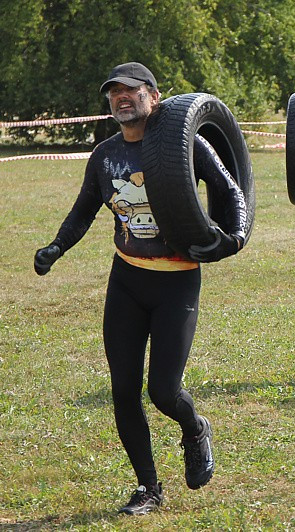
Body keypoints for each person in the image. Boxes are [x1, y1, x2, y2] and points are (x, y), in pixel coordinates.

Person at [33, 62, 247, 515]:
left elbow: (232, 191)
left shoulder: (186, 146)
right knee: (123, 391)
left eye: (131, 90)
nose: (121, 97)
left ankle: (195, 428)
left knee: (164, 392)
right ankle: (148, 487)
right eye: (114, 92)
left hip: (177, 282)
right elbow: (84, 211)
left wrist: (234, 237)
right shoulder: (105, 155)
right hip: (127, 280)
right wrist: (56, 246)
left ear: (154, 95)